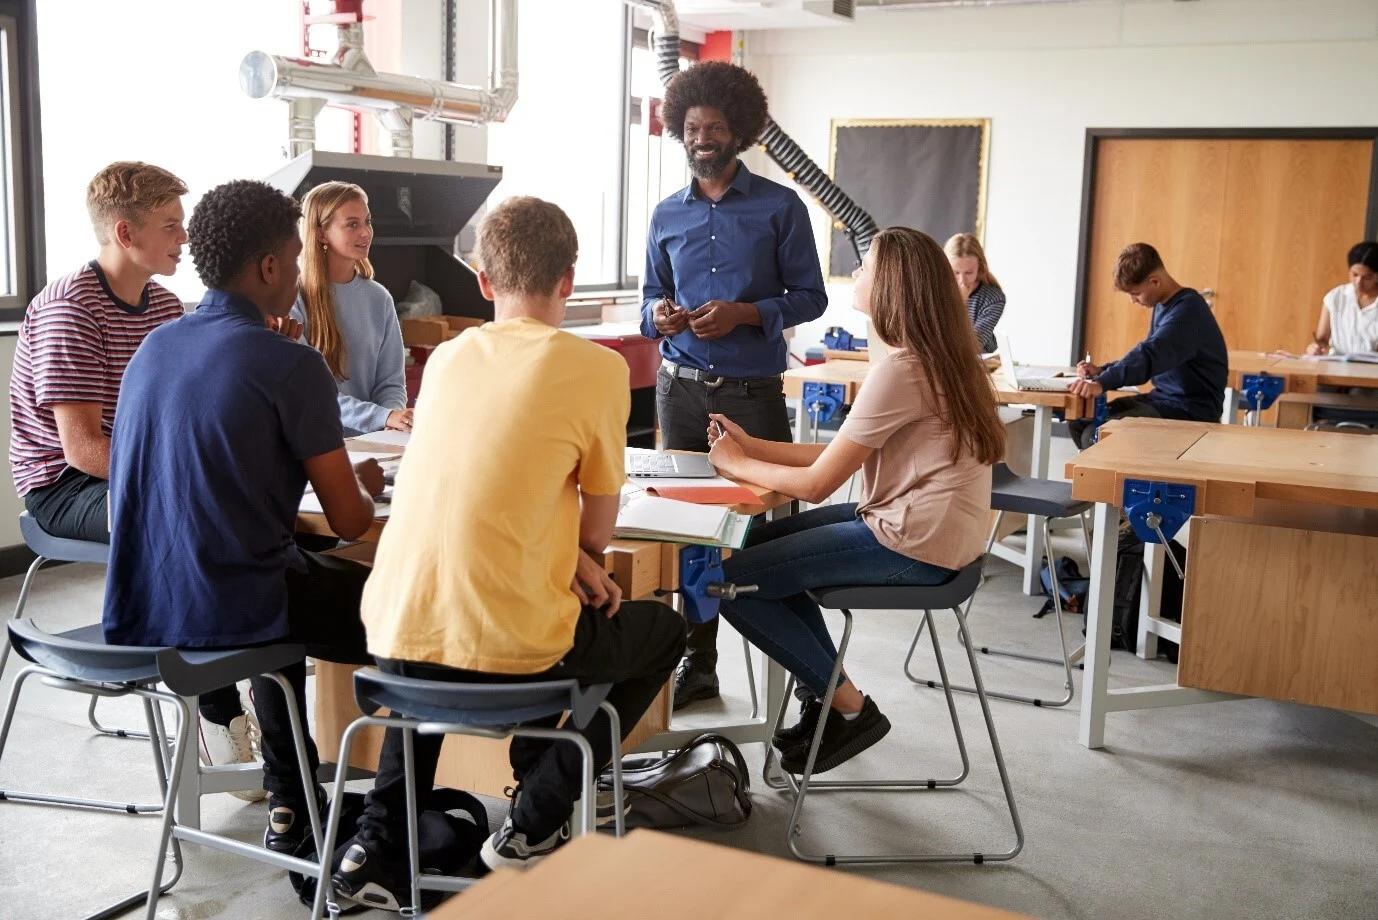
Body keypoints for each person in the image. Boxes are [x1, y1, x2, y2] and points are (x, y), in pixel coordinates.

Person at [331, 197, 684, 909]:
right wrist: (580, 555)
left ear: (484, 283)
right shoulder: (597, 369)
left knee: (434, 640)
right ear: (570, 280)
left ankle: (374, 846)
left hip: (392, 640)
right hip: (514, 659)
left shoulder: (450, 358)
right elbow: (598, 526)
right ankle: (533, 819)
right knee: (664, 631)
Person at [103, 179, 385, 853]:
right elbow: (349, 522)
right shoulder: (291, 364)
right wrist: (364, 485)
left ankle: (293, 806)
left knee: (276, 568)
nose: (297, 274)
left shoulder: (156, 348)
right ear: (267, 268)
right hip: (234, 607)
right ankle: (385, 819)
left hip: (145, 605)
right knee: (411, 614)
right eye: (293, 259)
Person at [705, 227, 1003, 775]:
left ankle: (848, 706)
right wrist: (751, 446)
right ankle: (827, 696)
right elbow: (840, 454)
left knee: (725, 579)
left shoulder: (903, 369)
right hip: (929, 531)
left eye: (865, 266)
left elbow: (820, 483)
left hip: (911, 542)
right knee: (754, 547)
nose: (858, 273)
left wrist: (736, 464)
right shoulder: (935, 356)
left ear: (890, 285)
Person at [7, 161, 262, 794]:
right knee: (184, 522)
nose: (185, 238)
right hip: (61, 489)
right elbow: (83, 449)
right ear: (126, 232)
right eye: (171, 225)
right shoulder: (71, 309)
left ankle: (245, 695)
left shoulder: (164, 305)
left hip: (139, 473)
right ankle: (216, 711)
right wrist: (184, 476)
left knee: (238, 510)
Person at [641, 60, 827, 710]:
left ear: (738, 132)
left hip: (753, 393)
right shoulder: (665, 214)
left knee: (774, 531)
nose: (701, 138)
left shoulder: (781, 207)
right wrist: (658, 316)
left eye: (714, 127)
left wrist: (747, 313)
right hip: (682, 390)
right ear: (679, 130)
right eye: (691, 127)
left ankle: (812, 677)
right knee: (690, 530)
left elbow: (811, 297)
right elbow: (648, 300)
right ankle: (699, 663)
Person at [1068, 243, 1227, 449]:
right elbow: (1151, 354)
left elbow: (1151, 354)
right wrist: (1102, 370)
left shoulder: (1188, 311)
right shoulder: (1165, 305)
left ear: (1154, 281)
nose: (1133, 301)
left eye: (1135, 293)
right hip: (1164, 400)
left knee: (1096, 434)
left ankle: (1117, 480)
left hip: (1192, 410)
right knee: (1080, 423)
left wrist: (1102, 382)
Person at [291, 181, 411, 436]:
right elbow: (311, 393)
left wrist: (391, 422)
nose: (366, 232)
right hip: (315, 449)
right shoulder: (293, 298)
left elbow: (390, 383)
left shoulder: (380, 299)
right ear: (321, 233)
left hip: (375, 444)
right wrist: (383, 417)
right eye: (352, 224)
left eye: (367, 221)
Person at [1305, 241, 1378, 356]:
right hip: (1337, 365)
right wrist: (1315, 348)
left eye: (1366, 277)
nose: (1358, 282)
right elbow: (1322, 339)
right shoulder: (1335, 297)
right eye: (1354, 275)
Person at [945, 232, 1004, 353]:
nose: (962, 281)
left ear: (980, 268)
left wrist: (960, 301)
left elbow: (973, 345)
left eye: (969, 272)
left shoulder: (993, 298)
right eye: (955, 273)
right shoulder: (935, 291)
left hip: (976, 361)